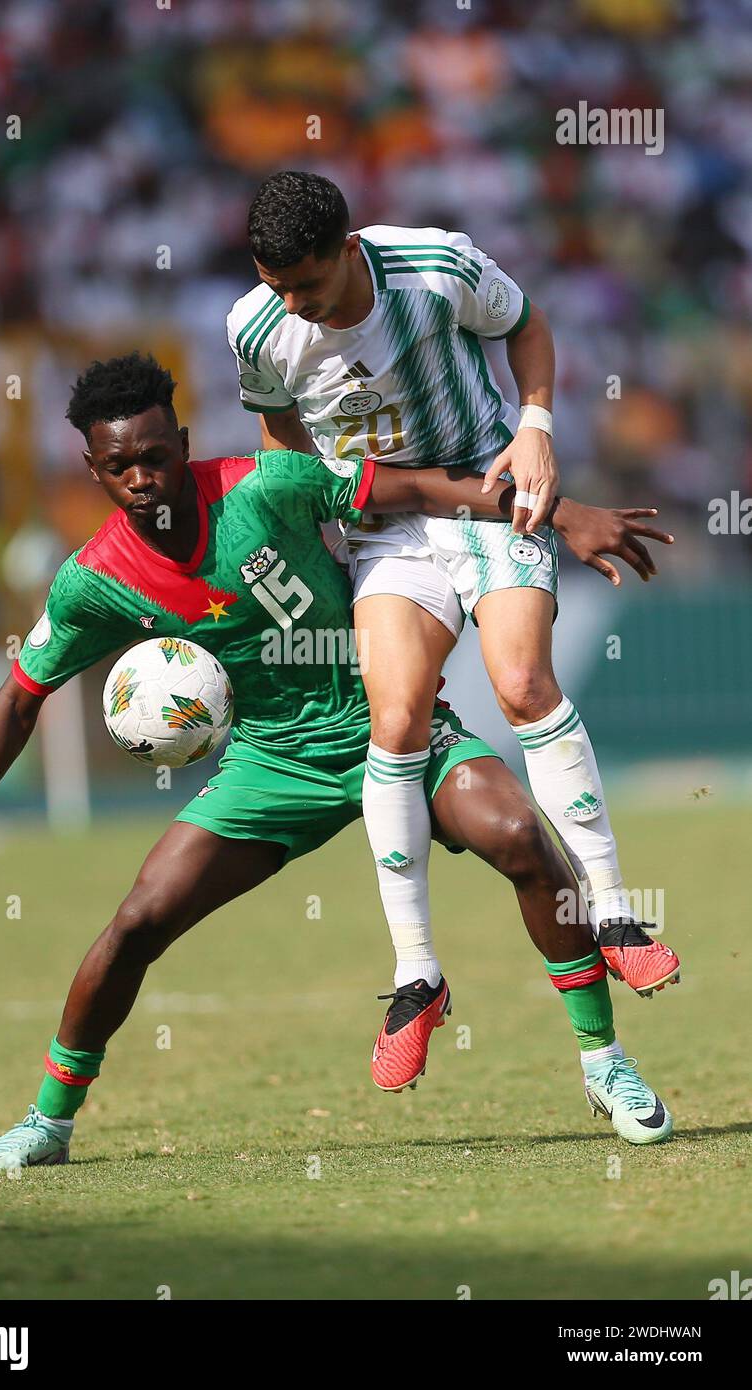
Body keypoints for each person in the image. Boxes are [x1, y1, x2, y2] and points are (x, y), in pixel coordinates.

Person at [0, 353, 674, 1168]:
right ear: (91, 468)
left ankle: (604, 1063)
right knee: (135, 924)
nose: (141, 477)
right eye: (118, 465)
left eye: (155, 455)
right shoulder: (94, 582)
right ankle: (49, 1121)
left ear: (184, 441)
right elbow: (21, 696)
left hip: (391, 724)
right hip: (270, 765)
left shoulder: (265, 487)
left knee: (521, 833)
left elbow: (420, 490)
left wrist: (557, 513)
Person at [228, 170, 680, 1092]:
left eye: (307, 287)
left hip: (489, 494)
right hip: (382, 528)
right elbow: (282, 443)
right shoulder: (255, 327)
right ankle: (415, 978)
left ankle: (615, 914)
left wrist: (539, 426)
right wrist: (318, 543)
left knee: (519, 684)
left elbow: (527, 324)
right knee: (393, 723)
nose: (296, 307)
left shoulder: (433, 266)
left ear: (347, 251)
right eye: (278, 288)